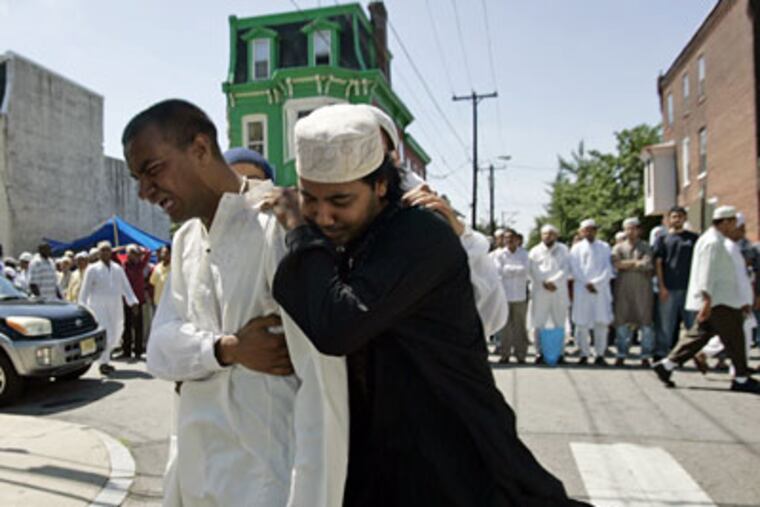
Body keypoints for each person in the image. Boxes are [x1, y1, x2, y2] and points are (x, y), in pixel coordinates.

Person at [270, 103, 586, 506]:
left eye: (340, 200)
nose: (323, 216)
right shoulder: (354, 237)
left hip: (453, 455)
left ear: (381, 185)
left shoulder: (418, 234)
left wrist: (299, 232)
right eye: (309, 199)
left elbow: (338, 326)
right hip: (384, 459)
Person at [124, 99, 347, 507]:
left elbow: (321, 387)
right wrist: (226, 349)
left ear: (201, 149)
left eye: (152, 170)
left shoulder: (277, 226)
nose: (143, 191)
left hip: (264, 484)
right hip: (195, 475)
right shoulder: (186, 239)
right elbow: (160, 350)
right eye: (137, 177)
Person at [653, 206, 760, 393]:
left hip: (721, 299)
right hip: (720, 300)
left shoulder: (717, 240)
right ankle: (741, 378)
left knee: (698, 336)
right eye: (733, 222)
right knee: (735, 339)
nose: (735, 227)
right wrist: (707, 300)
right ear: (725, 222)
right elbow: (706, 273)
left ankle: (667, 365)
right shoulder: (713, 242)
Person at [78, 241, 139, 375]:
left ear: (111, 252)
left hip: (116, 304)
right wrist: (82, 306)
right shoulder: (92, 269)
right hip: (98, 306)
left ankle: (106, 359)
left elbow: (126, 286)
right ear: (98, 253)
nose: (105, 253)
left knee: (118, 329)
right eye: (103, 250)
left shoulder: (118, 268)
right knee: (106, 332)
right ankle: (103, 362)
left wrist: (133, 302)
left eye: (107, 250)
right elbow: (85, 290)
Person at [654, 206, 699, 358]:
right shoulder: (662, 239)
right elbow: (658, 263)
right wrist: (661, 286)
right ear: (668, 219)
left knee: (692, 326)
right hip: (669, 288)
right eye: (674, 216)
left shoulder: (693, 239)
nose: (677, 219)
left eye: (680, 216)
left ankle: (694, 355)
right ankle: (662, 354)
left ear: (685, 218)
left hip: (690, 289)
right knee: (665, 325)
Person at [569, 219, 614, 365]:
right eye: (586, 230)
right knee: (581, 324)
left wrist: (596, 283)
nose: (589, 232)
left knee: (601, 323)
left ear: (596, 231)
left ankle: (600, 354)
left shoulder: (605, 246)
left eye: (592, 229)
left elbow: (608, 268)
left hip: (600, 291)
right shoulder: (575, 249)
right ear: (581, 232)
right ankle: (583, 353)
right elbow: (574, 269)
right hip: (582, 290)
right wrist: (586, 283)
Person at [612, 218, 655, 367]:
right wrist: (636, 263)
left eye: (634, 228)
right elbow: (616, 264)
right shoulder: (618, 247)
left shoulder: (646, 247)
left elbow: (647, 264)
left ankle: (645, 355)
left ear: (639, 230)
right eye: (628, 229)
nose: (631, 231)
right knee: (622, 323)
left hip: (643, 291)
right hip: (623, 291)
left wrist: (627, 264)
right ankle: (621, 354)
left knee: (646, 324)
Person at [528, 224, 570, 363]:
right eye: (545, 234)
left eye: (551, 233)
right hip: (540, 291)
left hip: (558, 291)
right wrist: (544, 282)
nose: (548, 236)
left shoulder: (564, 250)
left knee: (560, 321)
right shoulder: (534, 251)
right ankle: (539, 352)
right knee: (537, 322)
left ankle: (560, 352)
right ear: (541, 235)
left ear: (556, 236)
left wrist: (554, 282)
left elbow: (566, 268)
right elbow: (532, 270)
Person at [492, 229, 530, 363]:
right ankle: (505, 354)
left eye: (511, 238)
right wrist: (515, 270)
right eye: (506, 238)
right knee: (504, 327)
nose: (509, 241)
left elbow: (525, 270)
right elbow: (499, 271)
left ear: (517, 240)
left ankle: (521, 354)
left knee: (520, 326)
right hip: (504, 295)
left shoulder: (524, 254)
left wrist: (509, 269)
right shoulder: (500, 255)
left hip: (520, 296)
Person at [121, 244, 152, 360]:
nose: (135, 256)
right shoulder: (124, 265)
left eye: (136, 254)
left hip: (138, 300)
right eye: (132, 253)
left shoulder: (140, 265)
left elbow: (148, 252)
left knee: (138, 326)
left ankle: (138, 350)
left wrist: (139, 248)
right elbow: (114, 255)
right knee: (127, 326)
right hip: (126, 300)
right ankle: (126, 350)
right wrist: (122, 248)